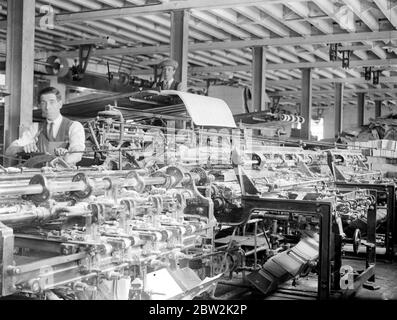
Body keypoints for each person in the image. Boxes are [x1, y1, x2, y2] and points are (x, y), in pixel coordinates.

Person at [5, 86, 85, 166]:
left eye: (52, 102)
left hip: (63, 176)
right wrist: (22, 148)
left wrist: (65, 157)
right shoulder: (35, 128)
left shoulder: (74, 126)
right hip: (39, 176)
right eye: (43, 103)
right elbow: (9, 151)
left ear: (60, 104)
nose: (47, 107)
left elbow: (77, 154)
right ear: (40, 106)